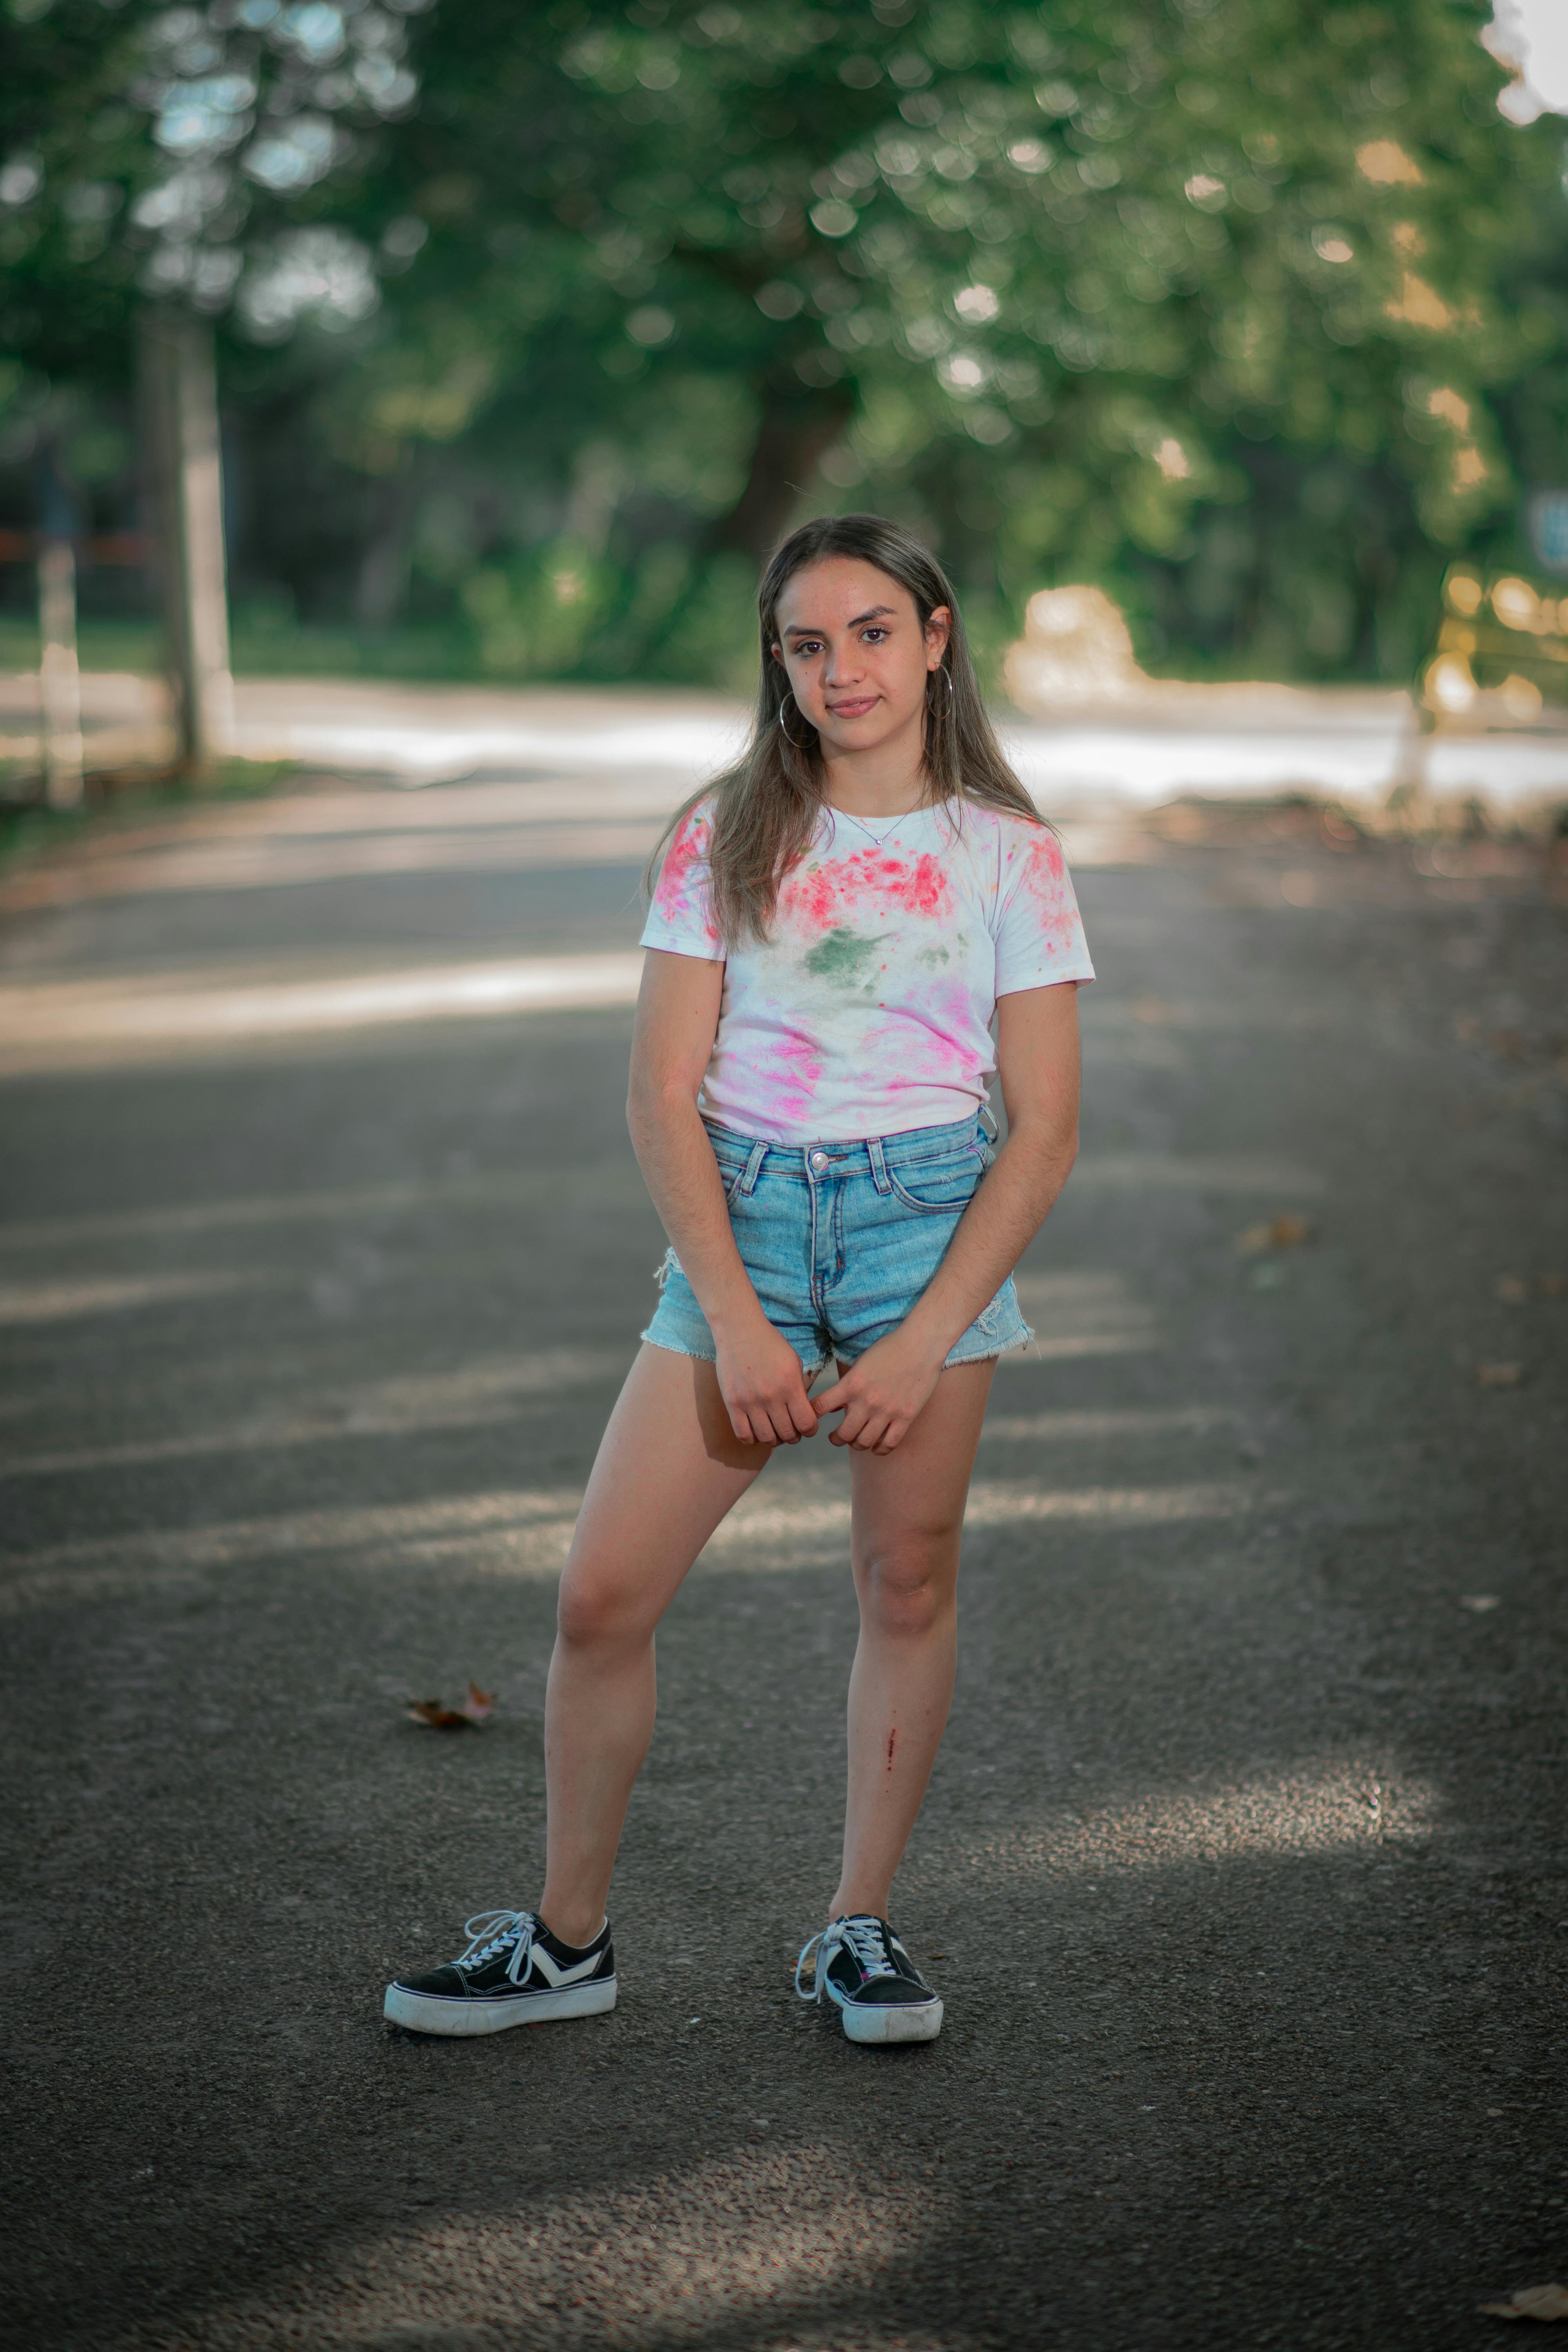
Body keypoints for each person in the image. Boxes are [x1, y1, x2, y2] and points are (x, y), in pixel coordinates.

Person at [384, 513, 1093, 2048]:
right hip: (744, 1222)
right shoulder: (727, 834)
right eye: (804, 643)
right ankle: (567, 1944)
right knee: (598, 1598)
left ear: (937, 635)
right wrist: (733, 1310)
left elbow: (1041, 1134)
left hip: (927, 1232)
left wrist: (924, 1338)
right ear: (776, 662)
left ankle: (858, 1931)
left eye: (871, 633)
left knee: (904, 1585)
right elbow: (660, 1095)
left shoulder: (1007, 857)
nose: (839, 669)